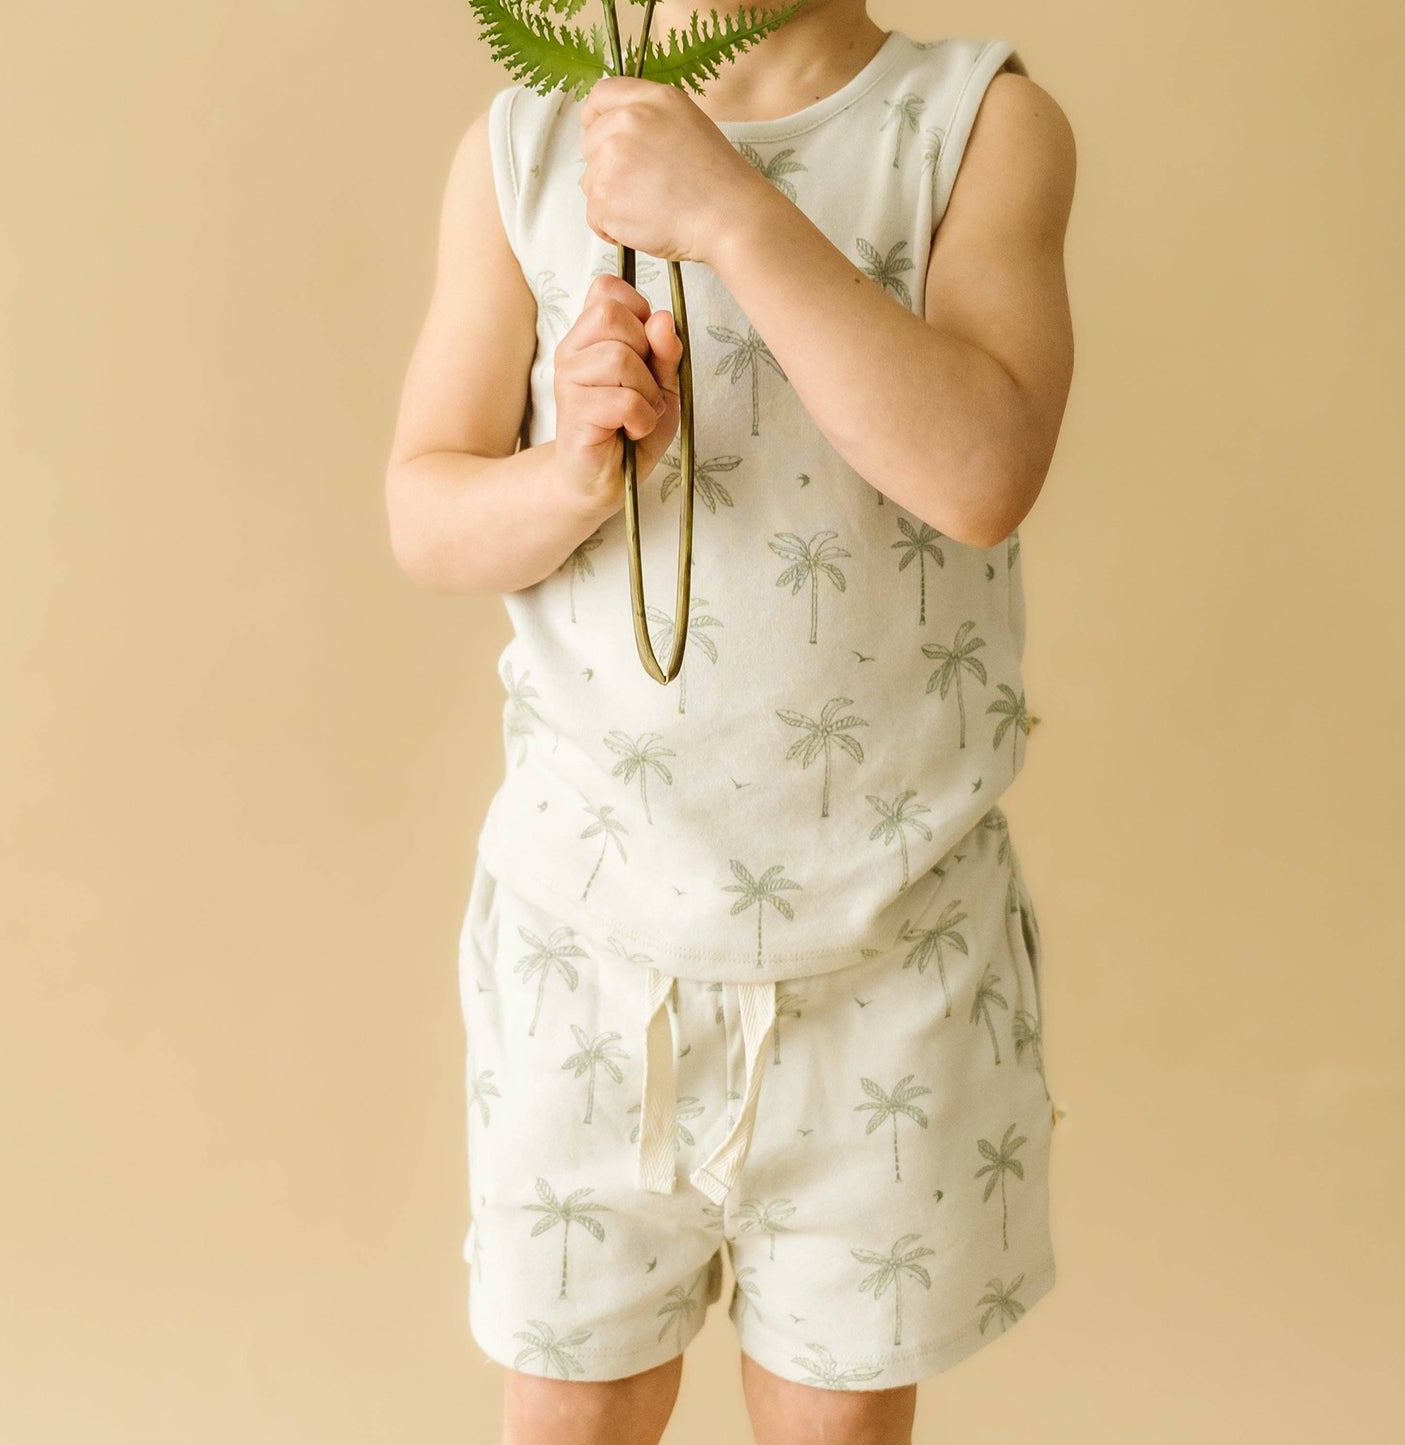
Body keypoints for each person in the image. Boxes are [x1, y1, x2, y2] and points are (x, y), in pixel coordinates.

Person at [386, 0, 1075, 1439]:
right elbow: (425, 511)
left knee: (831, 1421)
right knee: (572, 1405)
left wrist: (735, 216)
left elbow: (979, 471)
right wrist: (571, 469)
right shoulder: (525, 146)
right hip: (590, 947)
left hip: (883, 958)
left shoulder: (978, 126)